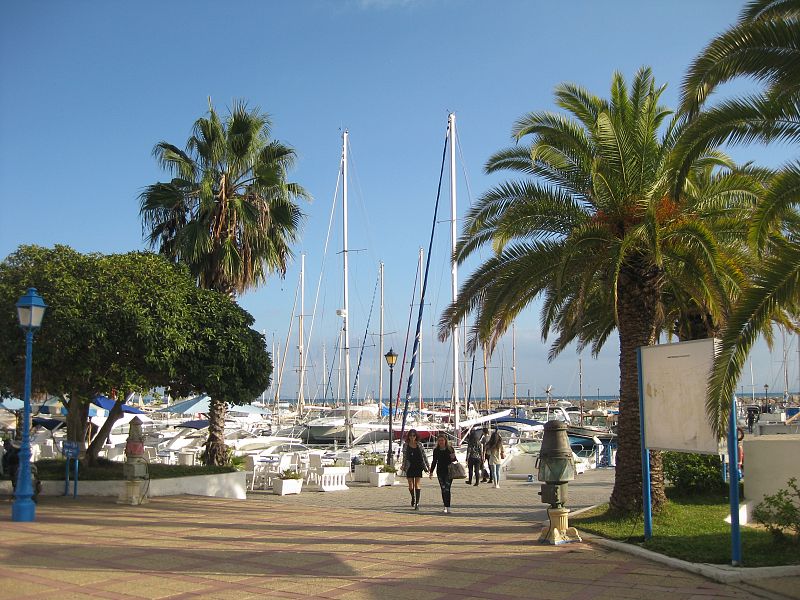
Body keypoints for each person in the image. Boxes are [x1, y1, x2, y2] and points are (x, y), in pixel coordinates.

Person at [429, 433, 456, 513]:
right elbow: (434, 461)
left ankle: (448, 507)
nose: (441, 442)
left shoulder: (450, 449)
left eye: (442, 440)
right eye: (439, 440)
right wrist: (431, 471)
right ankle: (445, 505)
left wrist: (453, 459)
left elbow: (454, 460)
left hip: (449, 471)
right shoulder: (436, 450)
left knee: (447, 489)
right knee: (443, 489)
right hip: (440, 471)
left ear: (445, 441)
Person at [402, 429, 429, 510]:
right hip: (409, 466)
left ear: (416, 436)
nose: (412, 437)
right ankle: (413, 497)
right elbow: (404, 456)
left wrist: (428, 466)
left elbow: (424, 456)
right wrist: (403, 465)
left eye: (414, 435)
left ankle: (417, 502)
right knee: (410, 485)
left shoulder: (419, 445)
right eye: (410, 435)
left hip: (418, 465)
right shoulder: (406, 445)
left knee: (417, 484)